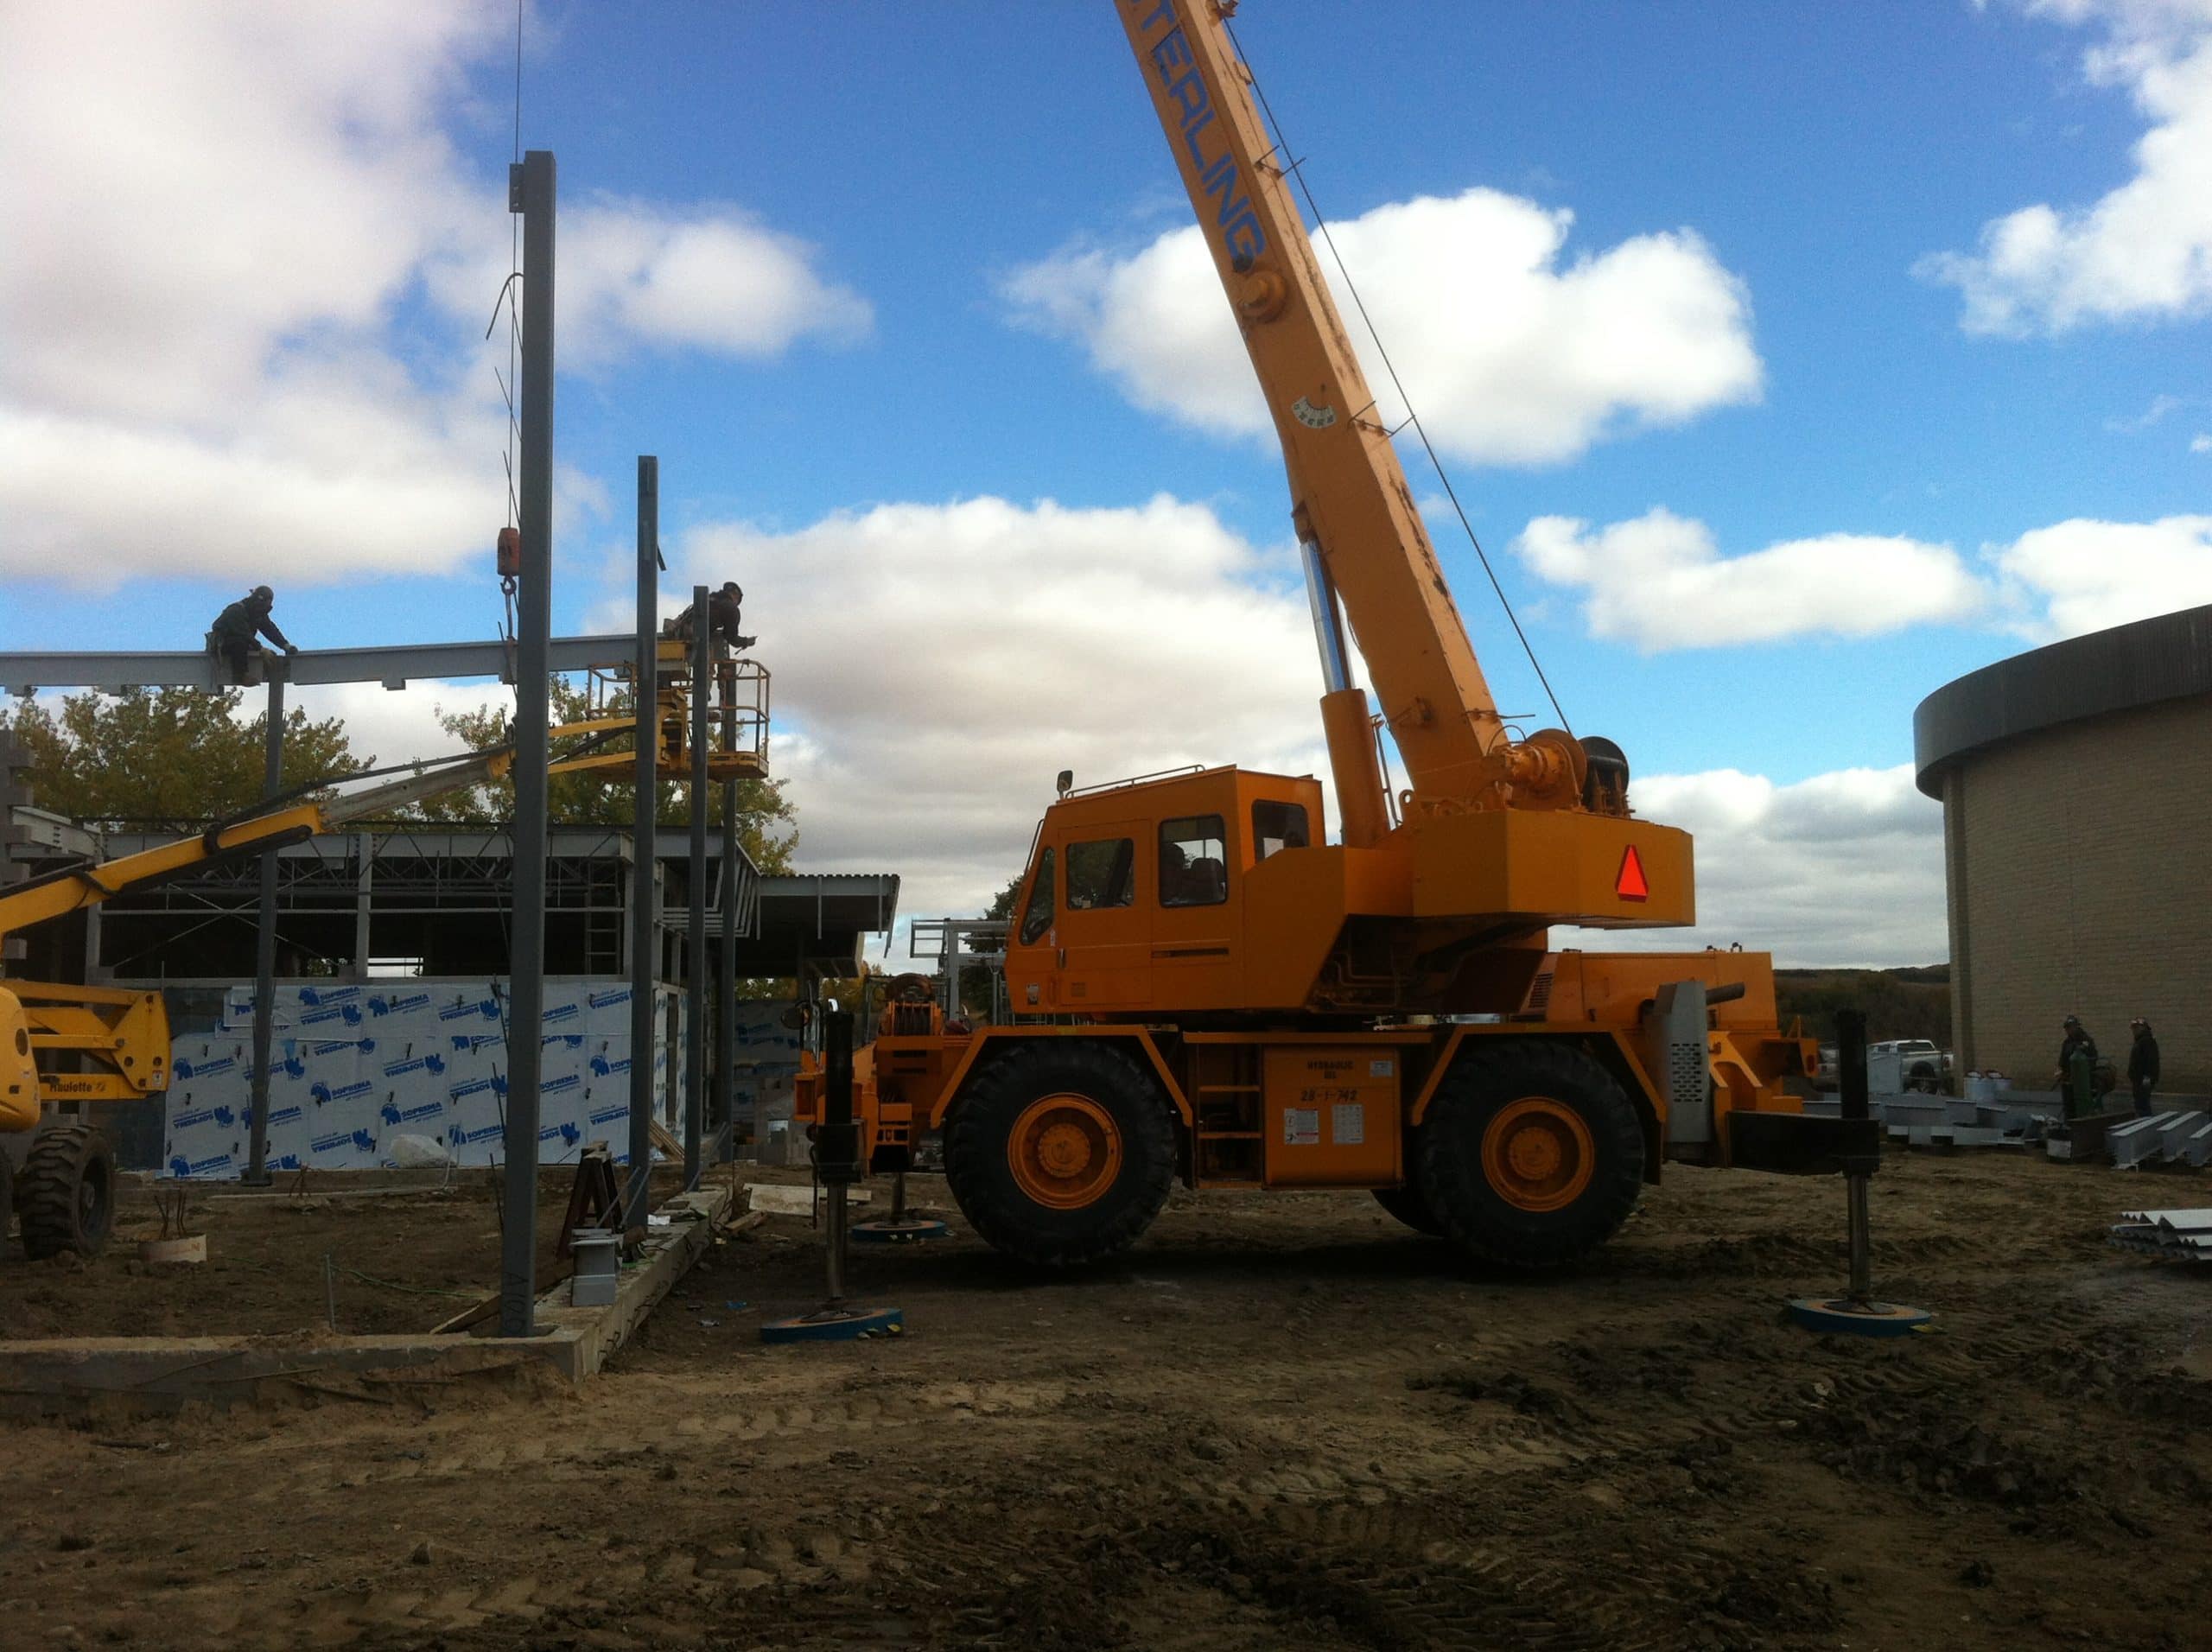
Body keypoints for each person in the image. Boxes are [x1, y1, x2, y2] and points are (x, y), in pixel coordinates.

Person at [209, 585, 297, 683]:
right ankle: (241, 676)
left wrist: (286, 646)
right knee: (240, 642)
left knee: (265, 653)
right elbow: (243, 633)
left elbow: (270, 630)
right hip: (221, 644)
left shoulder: (257, 613)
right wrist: (261, 648)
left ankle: (267, 669)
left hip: (242, 643)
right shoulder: (235, 611)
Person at [2055, 1014, 2098, 1120]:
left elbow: (2093, 1058)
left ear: (2076, 1026)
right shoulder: (2066, 1043)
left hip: (2082, 1081)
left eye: (2070, 1027)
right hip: (2068, 1080)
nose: (2068, 1030)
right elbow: (2062, 1060)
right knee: (2069, 1107)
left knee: (2081, 1106)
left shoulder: (2086, 1040)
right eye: (2067, 1028)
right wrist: (2060, 1071)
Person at [2126, 1018, 2160, 1117]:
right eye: (2133, 1028)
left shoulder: (2147, 1041)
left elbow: (2151, 1060)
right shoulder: (2140, 1041)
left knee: (2143, 1102)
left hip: (2143, 1079)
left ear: (2143, 1028)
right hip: (2138, 1079)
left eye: (2136, 1028)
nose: (2134, 1030)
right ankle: (2143, 1118)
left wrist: (2148, 1077)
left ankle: (2145, 1119)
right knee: (2140, 1101)